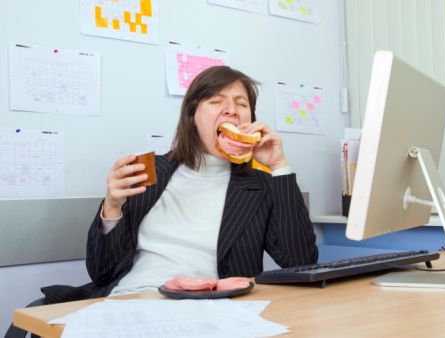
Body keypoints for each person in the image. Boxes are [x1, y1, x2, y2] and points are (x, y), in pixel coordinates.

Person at [5, 66, 318, 337]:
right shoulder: (148, 170)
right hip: (131, 301)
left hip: (213, 316)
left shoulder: (260, 186)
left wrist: (279, 166)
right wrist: (111, 206)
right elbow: (101, 272)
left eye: (241, 103)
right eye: (216, 101)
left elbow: (300, 261)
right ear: (192, 115)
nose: (232, 110)